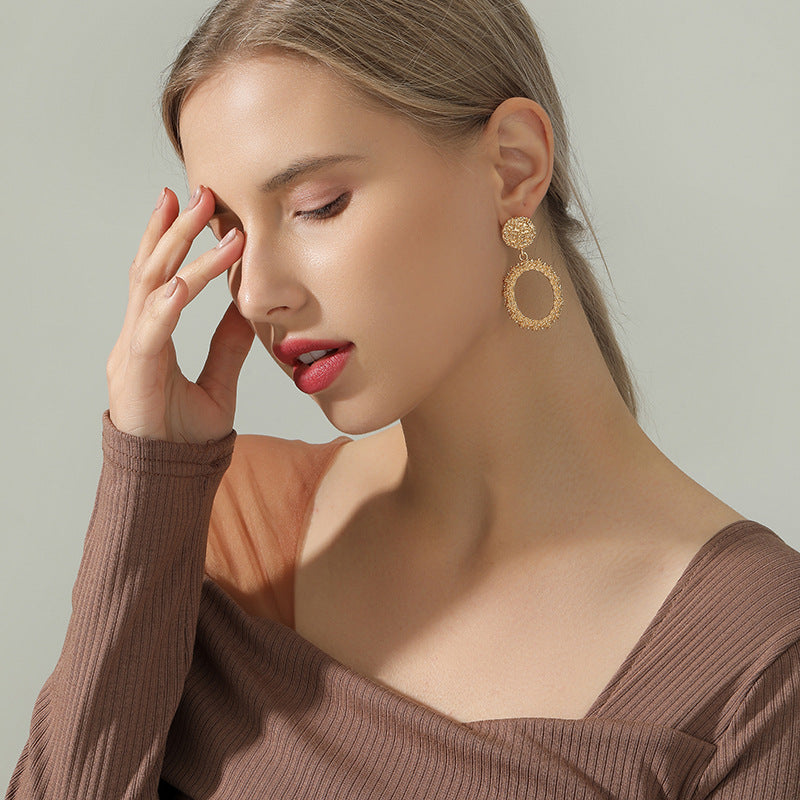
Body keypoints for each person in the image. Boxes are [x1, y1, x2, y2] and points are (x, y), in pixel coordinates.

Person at [6, 0, 800, 797]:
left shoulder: (759, 657)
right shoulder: (232, 520)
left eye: (317, 206)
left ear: (514, 167)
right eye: (232, 237)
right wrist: (151, 477)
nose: (257, 295)